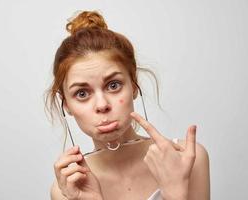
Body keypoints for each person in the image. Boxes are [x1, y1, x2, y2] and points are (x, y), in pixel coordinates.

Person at [46, 10, 210, 200]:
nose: (102, 105)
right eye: (82, 93)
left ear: (133, 85)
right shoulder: (68, 189)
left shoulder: (188, 158)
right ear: (66, 105)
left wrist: (176, 191)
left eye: (113, 85)